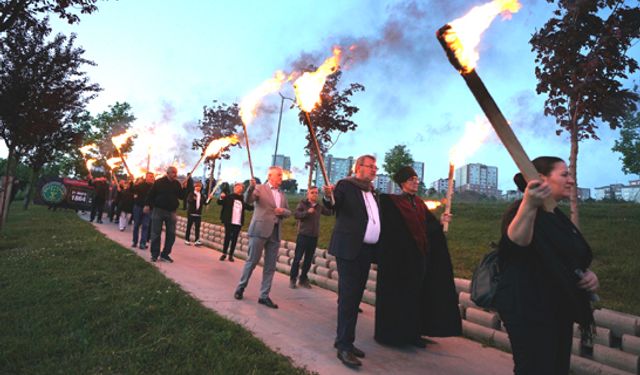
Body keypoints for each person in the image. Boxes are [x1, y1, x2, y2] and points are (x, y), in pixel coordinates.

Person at [495, 156, 599, 374]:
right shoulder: (521, 211)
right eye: (564, 174)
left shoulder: (556, 216)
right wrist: (529, 205)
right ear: (541, 179)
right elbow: (516, 243)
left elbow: (571, 256)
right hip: (529, 309)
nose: (571, 180)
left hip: (558, 307)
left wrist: (588, 275)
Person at [375, 166, 461, 348]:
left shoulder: (419, 203)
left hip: (420, 260)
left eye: (416, 179)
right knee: (402, 299)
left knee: (417, 297)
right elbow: (392, 233)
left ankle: (415, 333)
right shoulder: (392, 202)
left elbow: (427, 229)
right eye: (411, 180)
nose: (415, 182)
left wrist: (441, 222)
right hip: (401, 262)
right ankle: (398, 336)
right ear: (402, 183)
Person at [322, 154, 379, 368]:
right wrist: (328, 197)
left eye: (375, 167)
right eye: (370, 166)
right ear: (358, 168)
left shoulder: (371, 192)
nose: (374, 170)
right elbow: (332, 206)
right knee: (348, 298)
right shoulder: (345, 186)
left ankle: (345, 340)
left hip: (365, 251)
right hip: (348, 250)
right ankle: (344, 347)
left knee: (355, 299)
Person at [234, 166, 291, 309]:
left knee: (270, 266)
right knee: (252, 261)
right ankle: (241, 287)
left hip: (275, 232)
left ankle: (264, 296)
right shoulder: (260, 188)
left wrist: (282, 211)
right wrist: (250, 188)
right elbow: (248, 200)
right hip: (259, 230)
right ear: (270, 176)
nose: (281, 178)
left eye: (281, 175)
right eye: (278, 175)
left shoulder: (282, 194)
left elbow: (289, 212)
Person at [290, 186, 333, 289]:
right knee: (298, 258)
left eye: (316, 193)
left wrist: (330, 199)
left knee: (308, 259)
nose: (314, 194)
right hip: (303, 235)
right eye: (312, 192)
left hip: (314, 236)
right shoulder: (302, 204)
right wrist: (306, 213)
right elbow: (296, 215)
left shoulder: (319, 206)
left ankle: (303, 279)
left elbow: (330, 212)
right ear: (308, 194)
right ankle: (293, 279)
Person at [144, 166, 187, 263]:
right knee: (155, 233)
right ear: (168, 173)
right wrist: (147, 205)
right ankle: (154, 254)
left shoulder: (176, 184)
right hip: (158, 210)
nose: (175, 174)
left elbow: (181, 196)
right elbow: (151, 194)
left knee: (171, 234)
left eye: (176, 172)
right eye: (173, 172)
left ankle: (165, 254)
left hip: (171, 212)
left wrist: (184, 188)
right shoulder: (159, 182)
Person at [217, 182, 253, 261]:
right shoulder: (229, 197)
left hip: (238, 222)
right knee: (227, 237)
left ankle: (231, 255)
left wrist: (257, 205)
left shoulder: (242, 199)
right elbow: (220, 202)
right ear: (234, 188)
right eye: (236, 187)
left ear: (242, 190)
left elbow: (249, 207)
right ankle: (224, 253)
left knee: (234, 238)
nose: (237, 189)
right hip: (229, 220)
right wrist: (221, 197)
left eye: (240, 188)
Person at [184, 181, 213, 246]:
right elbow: (188, 200)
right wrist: (193, 199)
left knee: (197, 228)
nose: (198, 188)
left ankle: (197, 240)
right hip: (191, 213)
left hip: (198, 214)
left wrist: (210, 199)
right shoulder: (191, 194)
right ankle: (187, 239)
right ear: (194, 187)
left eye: (199, 186)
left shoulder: (201, 195)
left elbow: (206, 203)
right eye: (197, 186)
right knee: (189, 226)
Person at [132, 173, 154, 249]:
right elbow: (133, 190)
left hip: (148, 209)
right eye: (150, 177)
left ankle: (143, 243)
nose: (152, 178)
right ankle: (135, 241)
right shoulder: (141, 185)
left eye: (152, 177)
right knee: (136, 225)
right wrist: (133, 183)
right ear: (146, 177)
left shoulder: (154, 187)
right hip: (138, 207)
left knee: (145, 226)